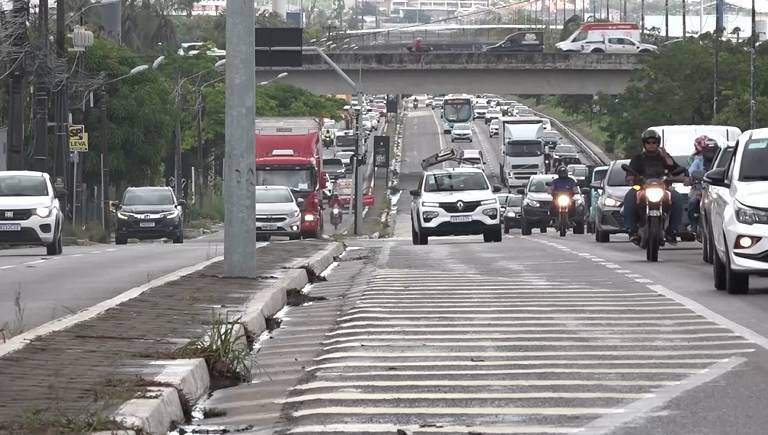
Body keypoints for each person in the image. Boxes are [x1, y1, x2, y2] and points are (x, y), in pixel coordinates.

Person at [623, 129, 685, 245]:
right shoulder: (638, 158)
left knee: (677, 199)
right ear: (644, 144)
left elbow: (675, 168)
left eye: (654, 142)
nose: (651, 145)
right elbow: (629, 174)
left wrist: (666, 156)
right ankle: (631, 230)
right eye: (648, 142)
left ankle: (672, 231)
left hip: (664, 187)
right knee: (629, 197)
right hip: (641, 187)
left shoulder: (664, 157)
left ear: (658, 144)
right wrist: (631, 178)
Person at [687, 137, 721, 232]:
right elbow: (691, 172)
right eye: (708, 150)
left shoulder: (722, 160)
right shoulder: (698, 160)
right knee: (692, 202)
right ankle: (693, 224)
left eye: (713, 150)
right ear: (703, 150)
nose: (710, 153)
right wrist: (692, 178)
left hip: (717, 189)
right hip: (699, 188)